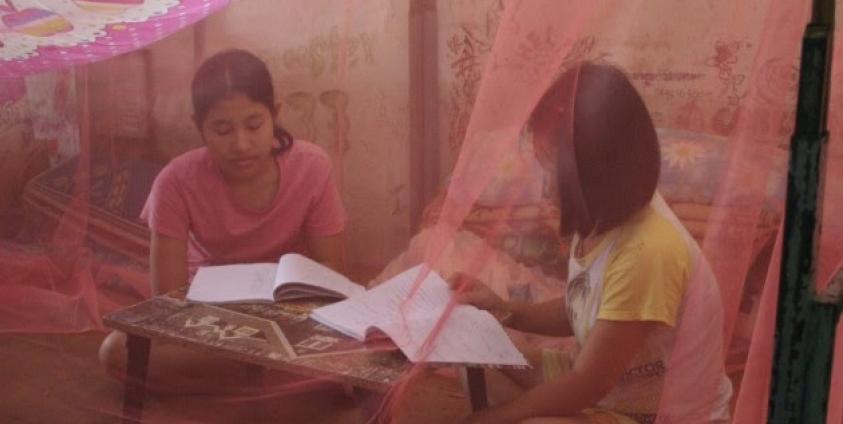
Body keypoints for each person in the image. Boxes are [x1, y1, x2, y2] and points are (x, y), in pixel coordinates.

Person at [450, 63, 732, 423]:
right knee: (477, 361)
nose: (545, 187)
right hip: (612, 394)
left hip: (656, 414)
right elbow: (581, 304)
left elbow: (587, 384)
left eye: (552, 170)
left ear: (597, 171)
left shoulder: (648, 252)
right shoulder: (601, 216)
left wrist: (495, 417)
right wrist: (505, 309)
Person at [98, 49, 347, 392]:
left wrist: (284, 320)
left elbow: (330, 270)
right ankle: (261, 376)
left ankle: (248, 376)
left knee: (359, 350)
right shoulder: (175, 182)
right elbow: (166, 299)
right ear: (198, 127)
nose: (241, 144)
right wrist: (227, 332)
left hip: (287, 312)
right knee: (116, 353)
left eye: (255, 125)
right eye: (222, 129)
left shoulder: (312, 166)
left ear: (275, 114)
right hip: (207, 317)